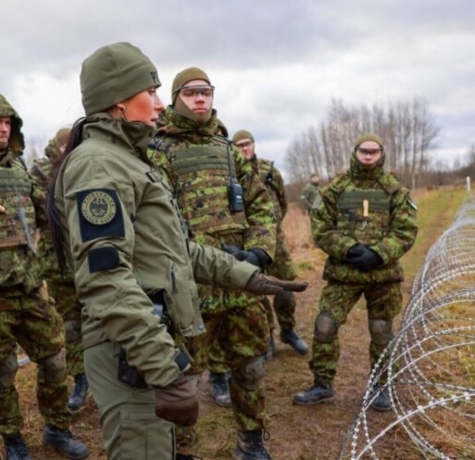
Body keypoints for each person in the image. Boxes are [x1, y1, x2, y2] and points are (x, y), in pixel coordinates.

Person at [47, 42, 307, 460]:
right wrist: (164, 370)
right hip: (131, 348)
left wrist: (249, 276)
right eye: (150, 92)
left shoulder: (129, 159)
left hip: (144, 340)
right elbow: (105, 278)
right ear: (118, 100)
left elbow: (175, 250)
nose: (158, 104)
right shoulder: (99, 164)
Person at [0, 85, 88, 460]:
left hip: (29, 284)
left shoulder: (19, 168)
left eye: (8, 121)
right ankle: (12, 438)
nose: (4, 128)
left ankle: (57, 428)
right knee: (3, 368)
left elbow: (44, 215)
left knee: (55, 359)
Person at [150, 68, 279, 460]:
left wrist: (258, 252)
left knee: (251, 368)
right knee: (184, 381)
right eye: (191, 93)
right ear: (175, 99)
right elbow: (157, 224)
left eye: (205, 92)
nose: (200, 99)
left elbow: (261, 204)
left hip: (240, 285)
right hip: (190, 291)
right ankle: (182, 452)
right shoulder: (158, 152)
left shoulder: (227, 151)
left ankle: (251, 443)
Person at [292, 133, 418, 411]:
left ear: (381, 154)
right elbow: (321, 228)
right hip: (344, 273)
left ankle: (381, 386)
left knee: (381, 331)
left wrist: (378, 253)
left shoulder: (394, 190)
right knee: (324, 326)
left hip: (382, 275)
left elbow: (406, 231)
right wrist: (349, 249)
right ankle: (322, 384)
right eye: (364, 151)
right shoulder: (336, 189)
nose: (368, 156)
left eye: (374, 151)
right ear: (356, 152)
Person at [232, 129, 309, 358]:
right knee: (257, 291)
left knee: (285, 289)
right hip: (247, 245)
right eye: (239, 145)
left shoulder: (269, 170)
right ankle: (268, 338)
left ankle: (288, 330)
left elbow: (283, 203)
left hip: (275, 242)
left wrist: (270, 229)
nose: (245, 148)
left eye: (247, 143)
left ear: (254, 144)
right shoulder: (230, 172)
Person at [30, 127, 90, 412]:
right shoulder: (39, 174)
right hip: (58, 264)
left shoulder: (88, 165)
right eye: (66, 146)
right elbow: (39, 212)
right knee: (71, 326)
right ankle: (81, 378)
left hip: (90, 259)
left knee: (103, 321)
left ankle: (106, 375)